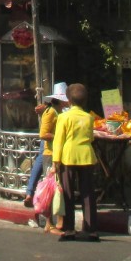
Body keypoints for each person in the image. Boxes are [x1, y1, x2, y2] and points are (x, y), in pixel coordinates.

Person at [51, 83, 99, 242]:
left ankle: (69, 229)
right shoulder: (89, 117)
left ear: (68, 100)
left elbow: (58, 140)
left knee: (68, 193)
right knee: (88, 193)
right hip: (86, 155)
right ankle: (91, 230)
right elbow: (91, 138)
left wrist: (55, 162)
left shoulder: (64, 117)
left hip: (68, 156)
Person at [23, 82, 68, 213]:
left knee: (52, 181)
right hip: (51, 150)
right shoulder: (51, 112)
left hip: (55, 150)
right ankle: (45, 209)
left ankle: (33, 195)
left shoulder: (56, 111)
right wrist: (58, 136)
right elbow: (43, 134)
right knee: (50, 183)